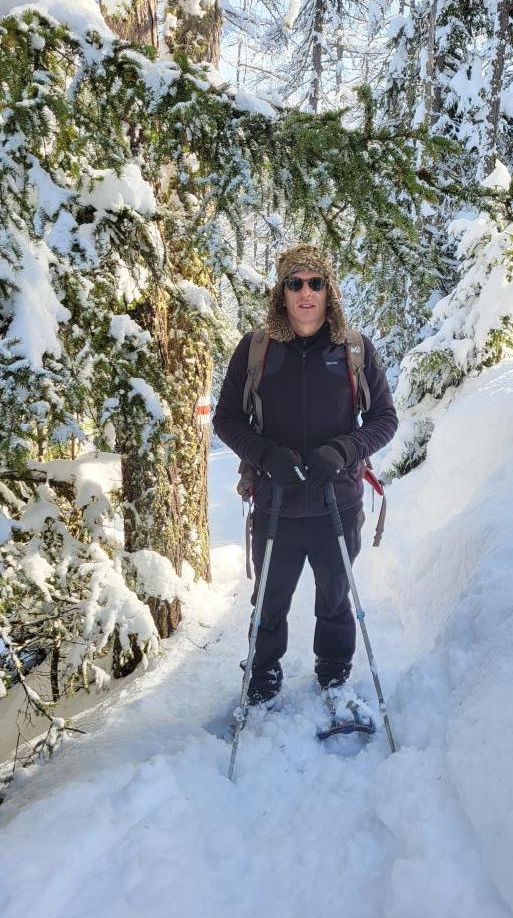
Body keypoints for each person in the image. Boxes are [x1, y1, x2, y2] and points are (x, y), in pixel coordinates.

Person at [213, 245, 398, 705]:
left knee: (335, 597)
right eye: (295, 283)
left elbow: (384, 419)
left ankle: (334, 674)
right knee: (269, 599)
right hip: (275, 501)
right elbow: (227, 419)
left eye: (316, 282)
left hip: (338, 500)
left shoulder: (353, 349)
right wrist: (266, 455)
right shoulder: (256, 349)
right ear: (282, 292)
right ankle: (262, 676)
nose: (305, 292)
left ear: (328, 290)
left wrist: (343, 451)